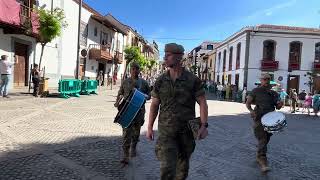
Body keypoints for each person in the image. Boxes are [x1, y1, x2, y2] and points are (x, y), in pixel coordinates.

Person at [146, 43, 208, 180]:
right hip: (166, 132)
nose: (165, 58)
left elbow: (202, 102)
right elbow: (154, 105)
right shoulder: (161, 80)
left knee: (182, 170)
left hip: (186, 133)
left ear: (178, 58)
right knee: (167, 168)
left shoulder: (193, 80)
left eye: (168, 55)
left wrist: (204, 125)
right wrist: (149, 127)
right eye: (165, 55)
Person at [114, 62, 151, 166]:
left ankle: (133, 147)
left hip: (139, 112)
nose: (135, 70)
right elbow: (120, 92)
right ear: (130, 70)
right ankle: (126, 155)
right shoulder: (125, 82)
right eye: (133, 69)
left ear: (139, 70)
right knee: (126, 134)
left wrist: (146, 97)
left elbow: (149, 95)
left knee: (136, 133)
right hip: (127, 111)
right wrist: (117, 102)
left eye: (137, 69)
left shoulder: (144, 83)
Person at [246, 73, 283, 172]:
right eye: (264, 79)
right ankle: (263, 160)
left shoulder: (273, 93)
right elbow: (248, 103)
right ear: (261, 80)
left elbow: (278, 106)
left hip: (271, 119)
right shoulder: (256, 91)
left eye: (268, 79)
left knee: (267, 138)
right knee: (262, 138)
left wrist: (280, 104)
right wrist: (251, 111)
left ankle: (259, 154)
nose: (266, 81)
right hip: (259, 118)